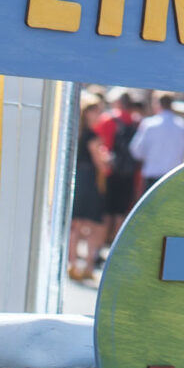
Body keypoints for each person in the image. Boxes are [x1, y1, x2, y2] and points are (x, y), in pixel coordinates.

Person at [67, 91, 108, 282]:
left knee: (75, 224)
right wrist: (106, 161)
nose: (100, 115)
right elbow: (100, 163)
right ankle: (88, 266)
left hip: (77, 177)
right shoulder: (92, 136)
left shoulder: (75, 132)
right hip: (89, 179)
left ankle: (73, 264)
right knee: (92, 224)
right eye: (97, 111)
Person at [96, 91, 144, 247]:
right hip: (129, 173)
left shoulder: (108, 119)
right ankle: (116, 245)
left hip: (110, 172)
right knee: (121, 211)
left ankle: (102, 243)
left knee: (106, 210)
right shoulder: (137, 122)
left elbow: (102, 144)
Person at [129, 94, 184, 197]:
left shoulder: (149, 124)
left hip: (152, 176)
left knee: (150, 211)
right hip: (173, 176)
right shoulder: (182, 125)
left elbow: (136, 151)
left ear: (157, 104)